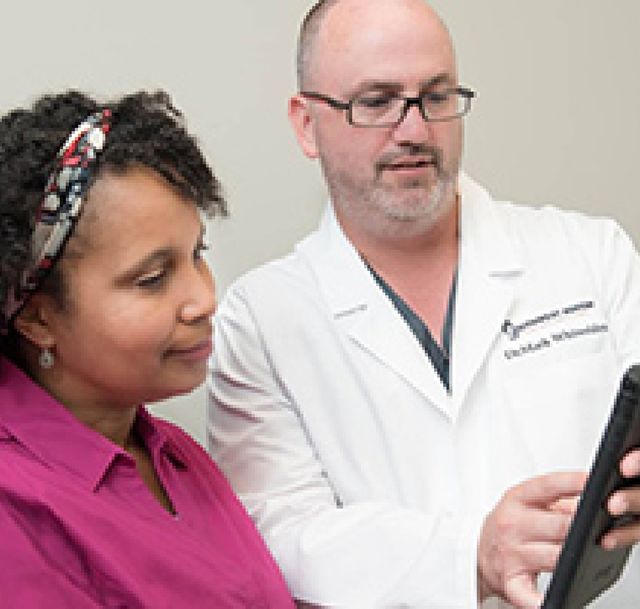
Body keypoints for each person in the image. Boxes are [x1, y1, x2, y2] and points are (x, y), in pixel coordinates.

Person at [208, 1, 640, 608]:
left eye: (436, 97)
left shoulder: (592, 254)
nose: (414, 130)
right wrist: (471, 555)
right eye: (376, 102)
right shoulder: (261, 320)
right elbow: (278, 537)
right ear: (306, 124)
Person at [0, 90, 295, 609]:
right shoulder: (14, 512)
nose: (204, 299)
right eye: (153, 279)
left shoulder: (175, 455)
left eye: (197, 254)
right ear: (37, 319)